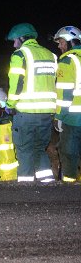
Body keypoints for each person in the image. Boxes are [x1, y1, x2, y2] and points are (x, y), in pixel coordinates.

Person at [6, 23, 57, 183]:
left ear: (22, 38)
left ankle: (25, 192)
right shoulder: (50, 55)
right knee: (39, 150)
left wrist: (10, 104)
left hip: (26, 115)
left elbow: (16, 85)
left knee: (25, 152)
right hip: (46, 115)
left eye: (15, 40)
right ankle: (47, 186)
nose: (14, 44)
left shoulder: (20, 55)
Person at [53, 26, 81, 183]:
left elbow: (64, 94)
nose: (59, 46)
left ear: (70, 42)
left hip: (73, 119)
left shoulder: (67, 61)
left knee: (69, 154)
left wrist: (59, 117)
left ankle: (68, 191)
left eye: (61, 42)